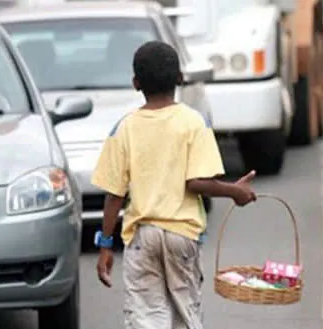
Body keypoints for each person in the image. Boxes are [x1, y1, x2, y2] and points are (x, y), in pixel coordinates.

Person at [91, 40, 257, 329]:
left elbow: (114, 195)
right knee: (186, 314)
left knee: (146, 317)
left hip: (142, 237)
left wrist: (105, 245)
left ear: (135, 83)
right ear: (180, 78)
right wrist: (234, 191)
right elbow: (197, 182)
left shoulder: (124, 128)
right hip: (182, 234)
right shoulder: (194, 122)